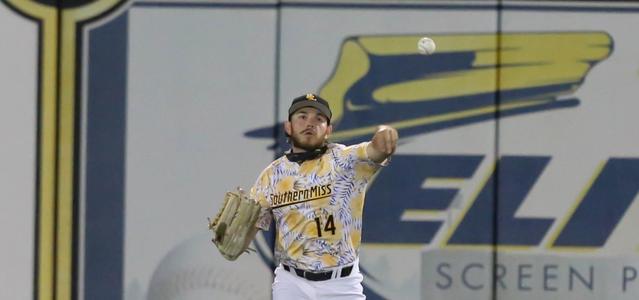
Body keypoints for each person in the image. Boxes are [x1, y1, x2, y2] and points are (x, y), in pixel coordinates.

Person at [246, 93, 398, 299]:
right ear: (288, 126)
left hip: (340, 284)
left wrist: (385, 132)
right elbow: (247, 229)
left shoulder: (345, 161)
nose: (310, 123)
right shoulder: (272, 175)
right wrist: (233, 237)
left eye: (319, 119)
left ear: (328, 130)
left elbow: (377, 150)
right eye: (302, 116)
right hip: (292, 283)